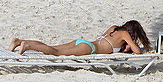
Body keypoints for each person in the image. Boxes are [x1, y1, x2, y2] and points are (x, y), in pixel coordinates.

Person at [10, 20, 151, 56]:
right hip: (89, 48)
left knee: (53, 47)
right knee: (56, 52)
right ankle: (27, 46)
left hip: (84, 42)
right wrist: (132, 44)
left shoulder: (114, 28)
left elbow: (103, 38)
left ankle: (19, 42)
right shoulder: (125, 34)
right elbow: (137, 51)